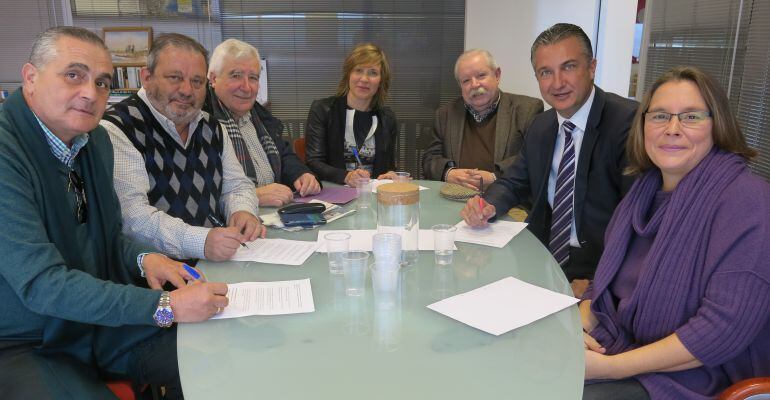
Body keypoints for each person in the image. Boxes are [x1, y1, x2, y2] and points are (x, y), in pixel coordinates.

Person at [0, 26, 228, 399]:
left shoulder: (95, 142)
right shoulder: (7, 154)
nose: (91, 93)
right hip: (26, 340)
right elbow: (42, 285)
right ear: (30, 77)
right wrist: (166, 305)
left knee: (219, 353)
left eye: (102, 82)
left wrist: (144, 259)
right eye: (73, 75)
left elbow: (104, 236)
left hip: (93, 321)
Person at [580, 66, 770, 400]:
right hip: (622, 345)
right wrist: (581, 319)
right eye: (660, 116)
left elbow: (722, 330)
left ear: (717, 125)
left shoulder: (748, 202)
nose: (672, 129)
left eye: (691, 117)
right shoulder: (641, 193)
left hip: (697, 378)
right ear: (643, 126)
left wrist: (609, 368)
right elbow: (606, 283)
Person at [461, 23, 638, 297]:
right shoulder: (541, 126)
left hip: (599, 270)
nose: (557, 83)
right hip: (541, 256)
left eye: (568, 67)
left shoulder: (627, 123)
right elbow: (514, 181)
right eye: (546, 72)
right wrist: (487, 205)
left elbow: (638, 222)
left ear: (591, 67)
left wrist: (599, 284)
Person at [101, 33, 265, 263]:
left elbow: (236, 185)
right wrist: (202, 241)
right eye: (175, 77)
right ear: (146, 77)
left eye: (197, 82)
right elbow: (134, 218)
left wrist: (242, 211)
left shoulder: (211, 126)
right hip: (155, 282)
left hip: (216, 262)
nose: (187, 90)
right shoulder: (118, 128)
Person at [205, 39, 321, 207]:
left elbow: (285, 156)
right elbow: (198, 191)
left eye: (253, 78)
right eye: (236, 75)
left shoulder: (261, 117)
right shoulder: (200, 122)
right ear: (213, 79)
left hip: (274, 218)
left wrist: (301, 174)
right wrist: (253, 196)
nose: (246, 87)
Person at [422, 49, 543, 189]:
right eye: (466, 80)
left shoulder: (527, 110)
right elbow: (429, 159)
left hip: (508, 202)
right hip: (454, 199)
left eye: (481, 76)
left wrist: (494, 178)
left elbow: (533, 158)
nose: (474, 85)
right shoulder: (446, 114)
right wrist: (448, 173)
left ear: (497, 75)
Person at [305, 43, 397, 187]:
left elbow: (389, 166)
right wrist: (345, 176)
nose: (364, 79)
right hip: (335, 196)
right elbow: (313, 162)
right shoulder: (323, 110)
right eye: (358, 70)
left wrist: (390, 174)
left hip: (372, 197)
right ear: (349, 74)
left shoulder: (387, 119)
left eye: (373, 72)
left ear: (381, 80)